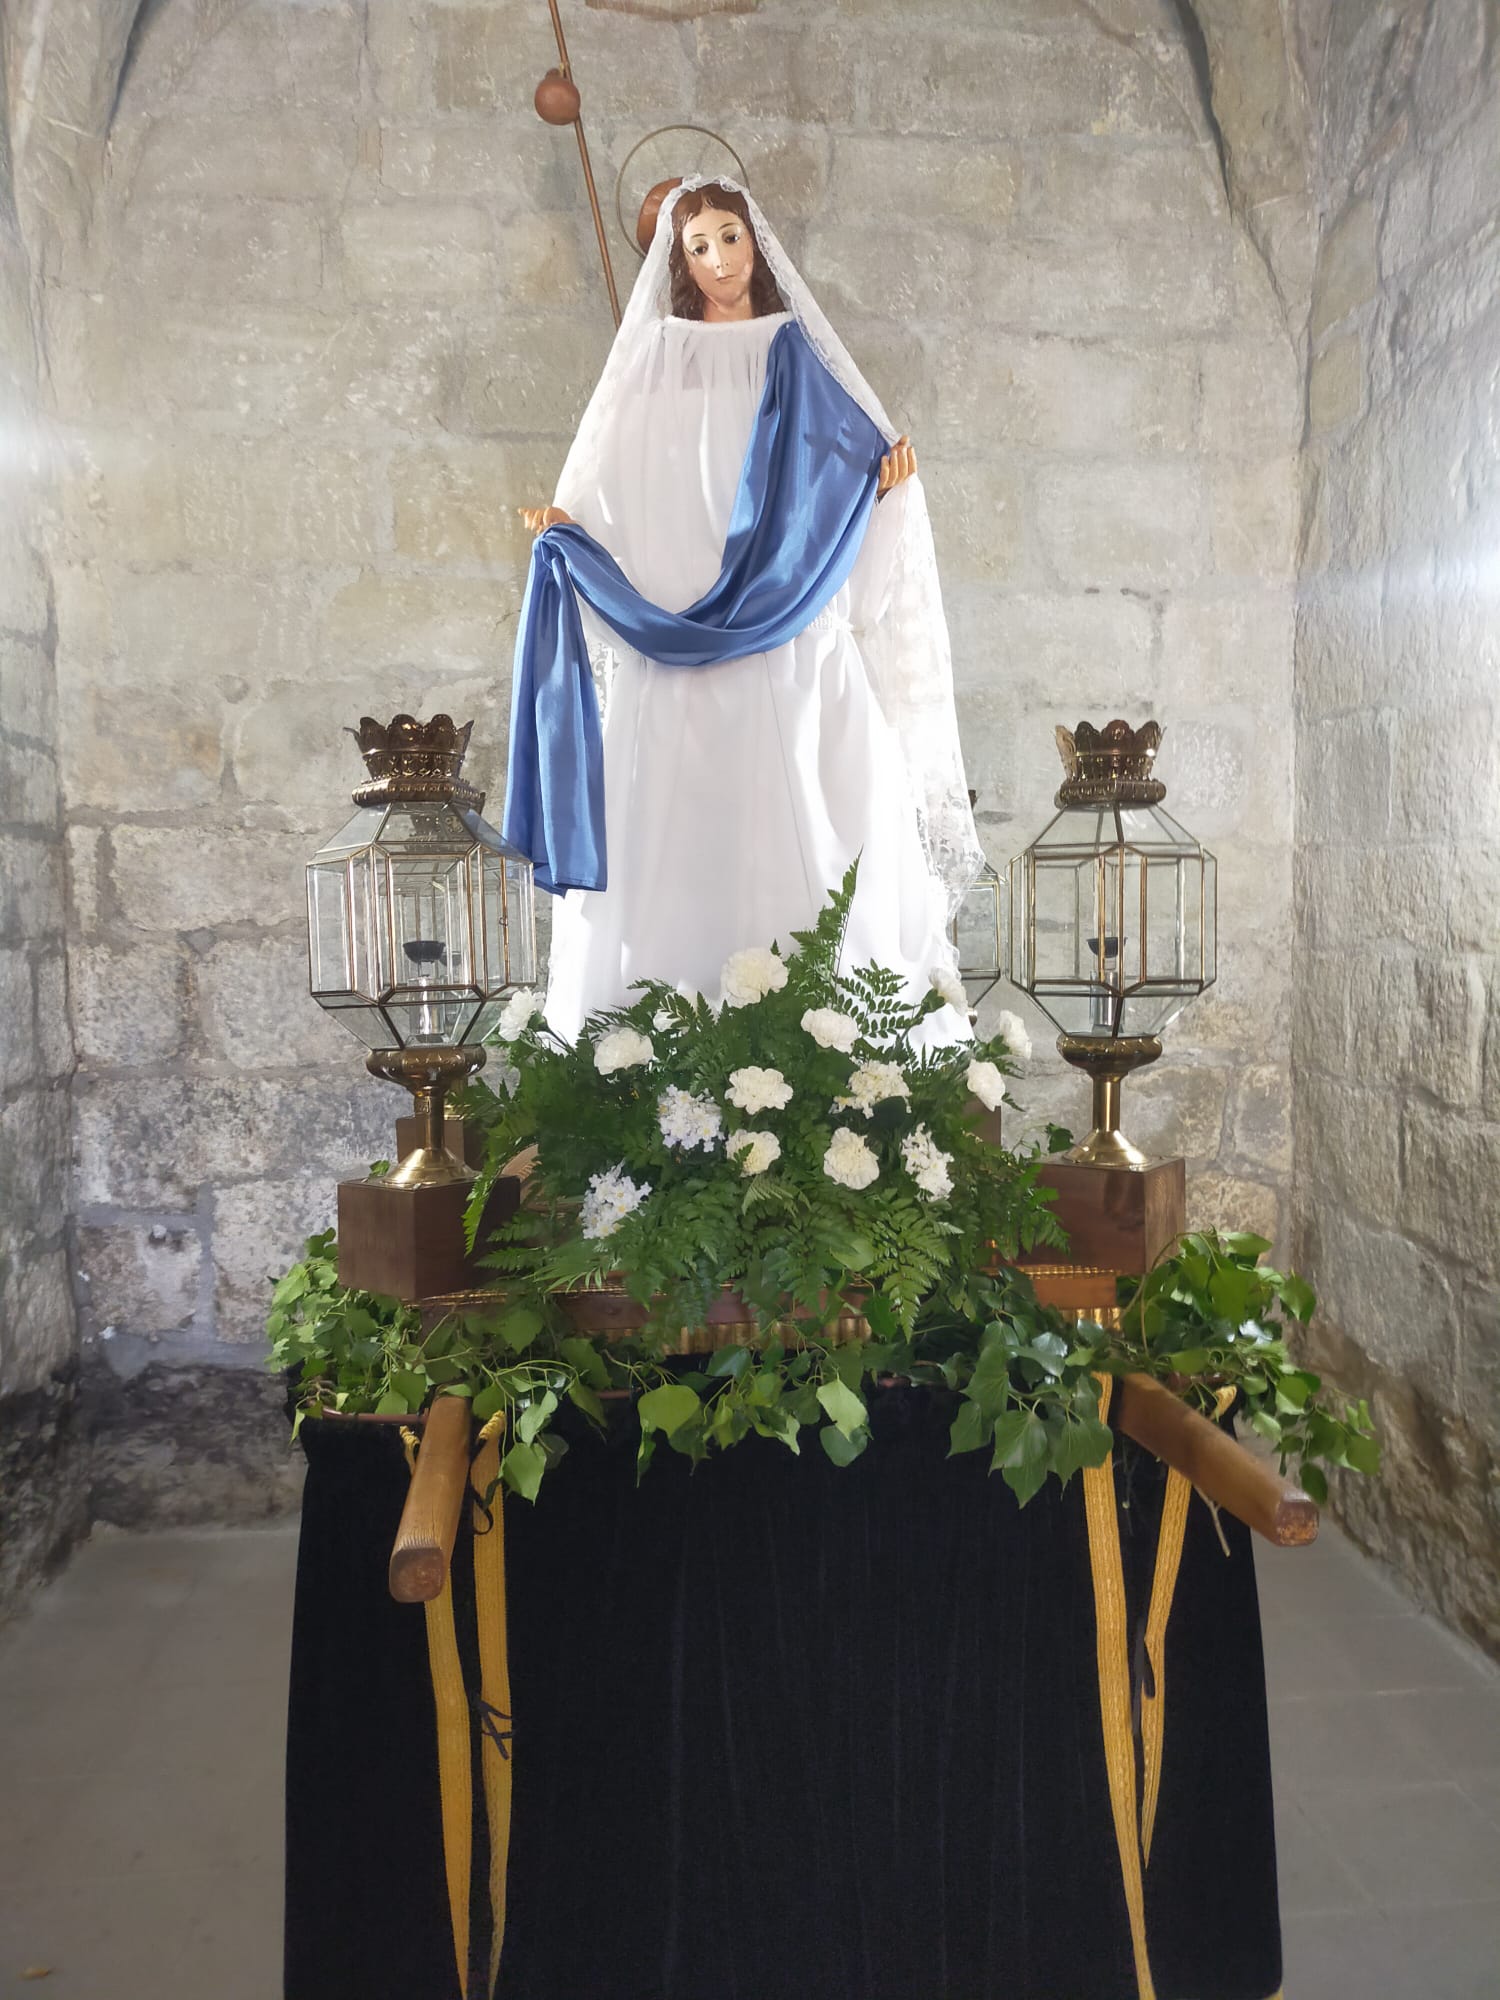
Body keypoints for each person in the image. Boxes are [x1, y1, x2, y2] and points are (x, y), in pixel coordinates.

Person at [506, 177, 981, 1042]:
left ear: (756, 239)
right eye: (700, 246)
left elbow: (842, 521)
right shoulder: (657, 367)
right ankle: (648, 1066)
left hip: (795, 655)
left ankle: (843, 1066)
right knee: (686, 865)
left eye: (730, 236)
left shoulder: (804, 362)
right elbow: (617, 494)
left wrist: (881, 496)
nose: (721, 259)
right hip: (680, 663)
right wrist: (571, 531)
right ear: (680, 262)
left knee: (818, 862)